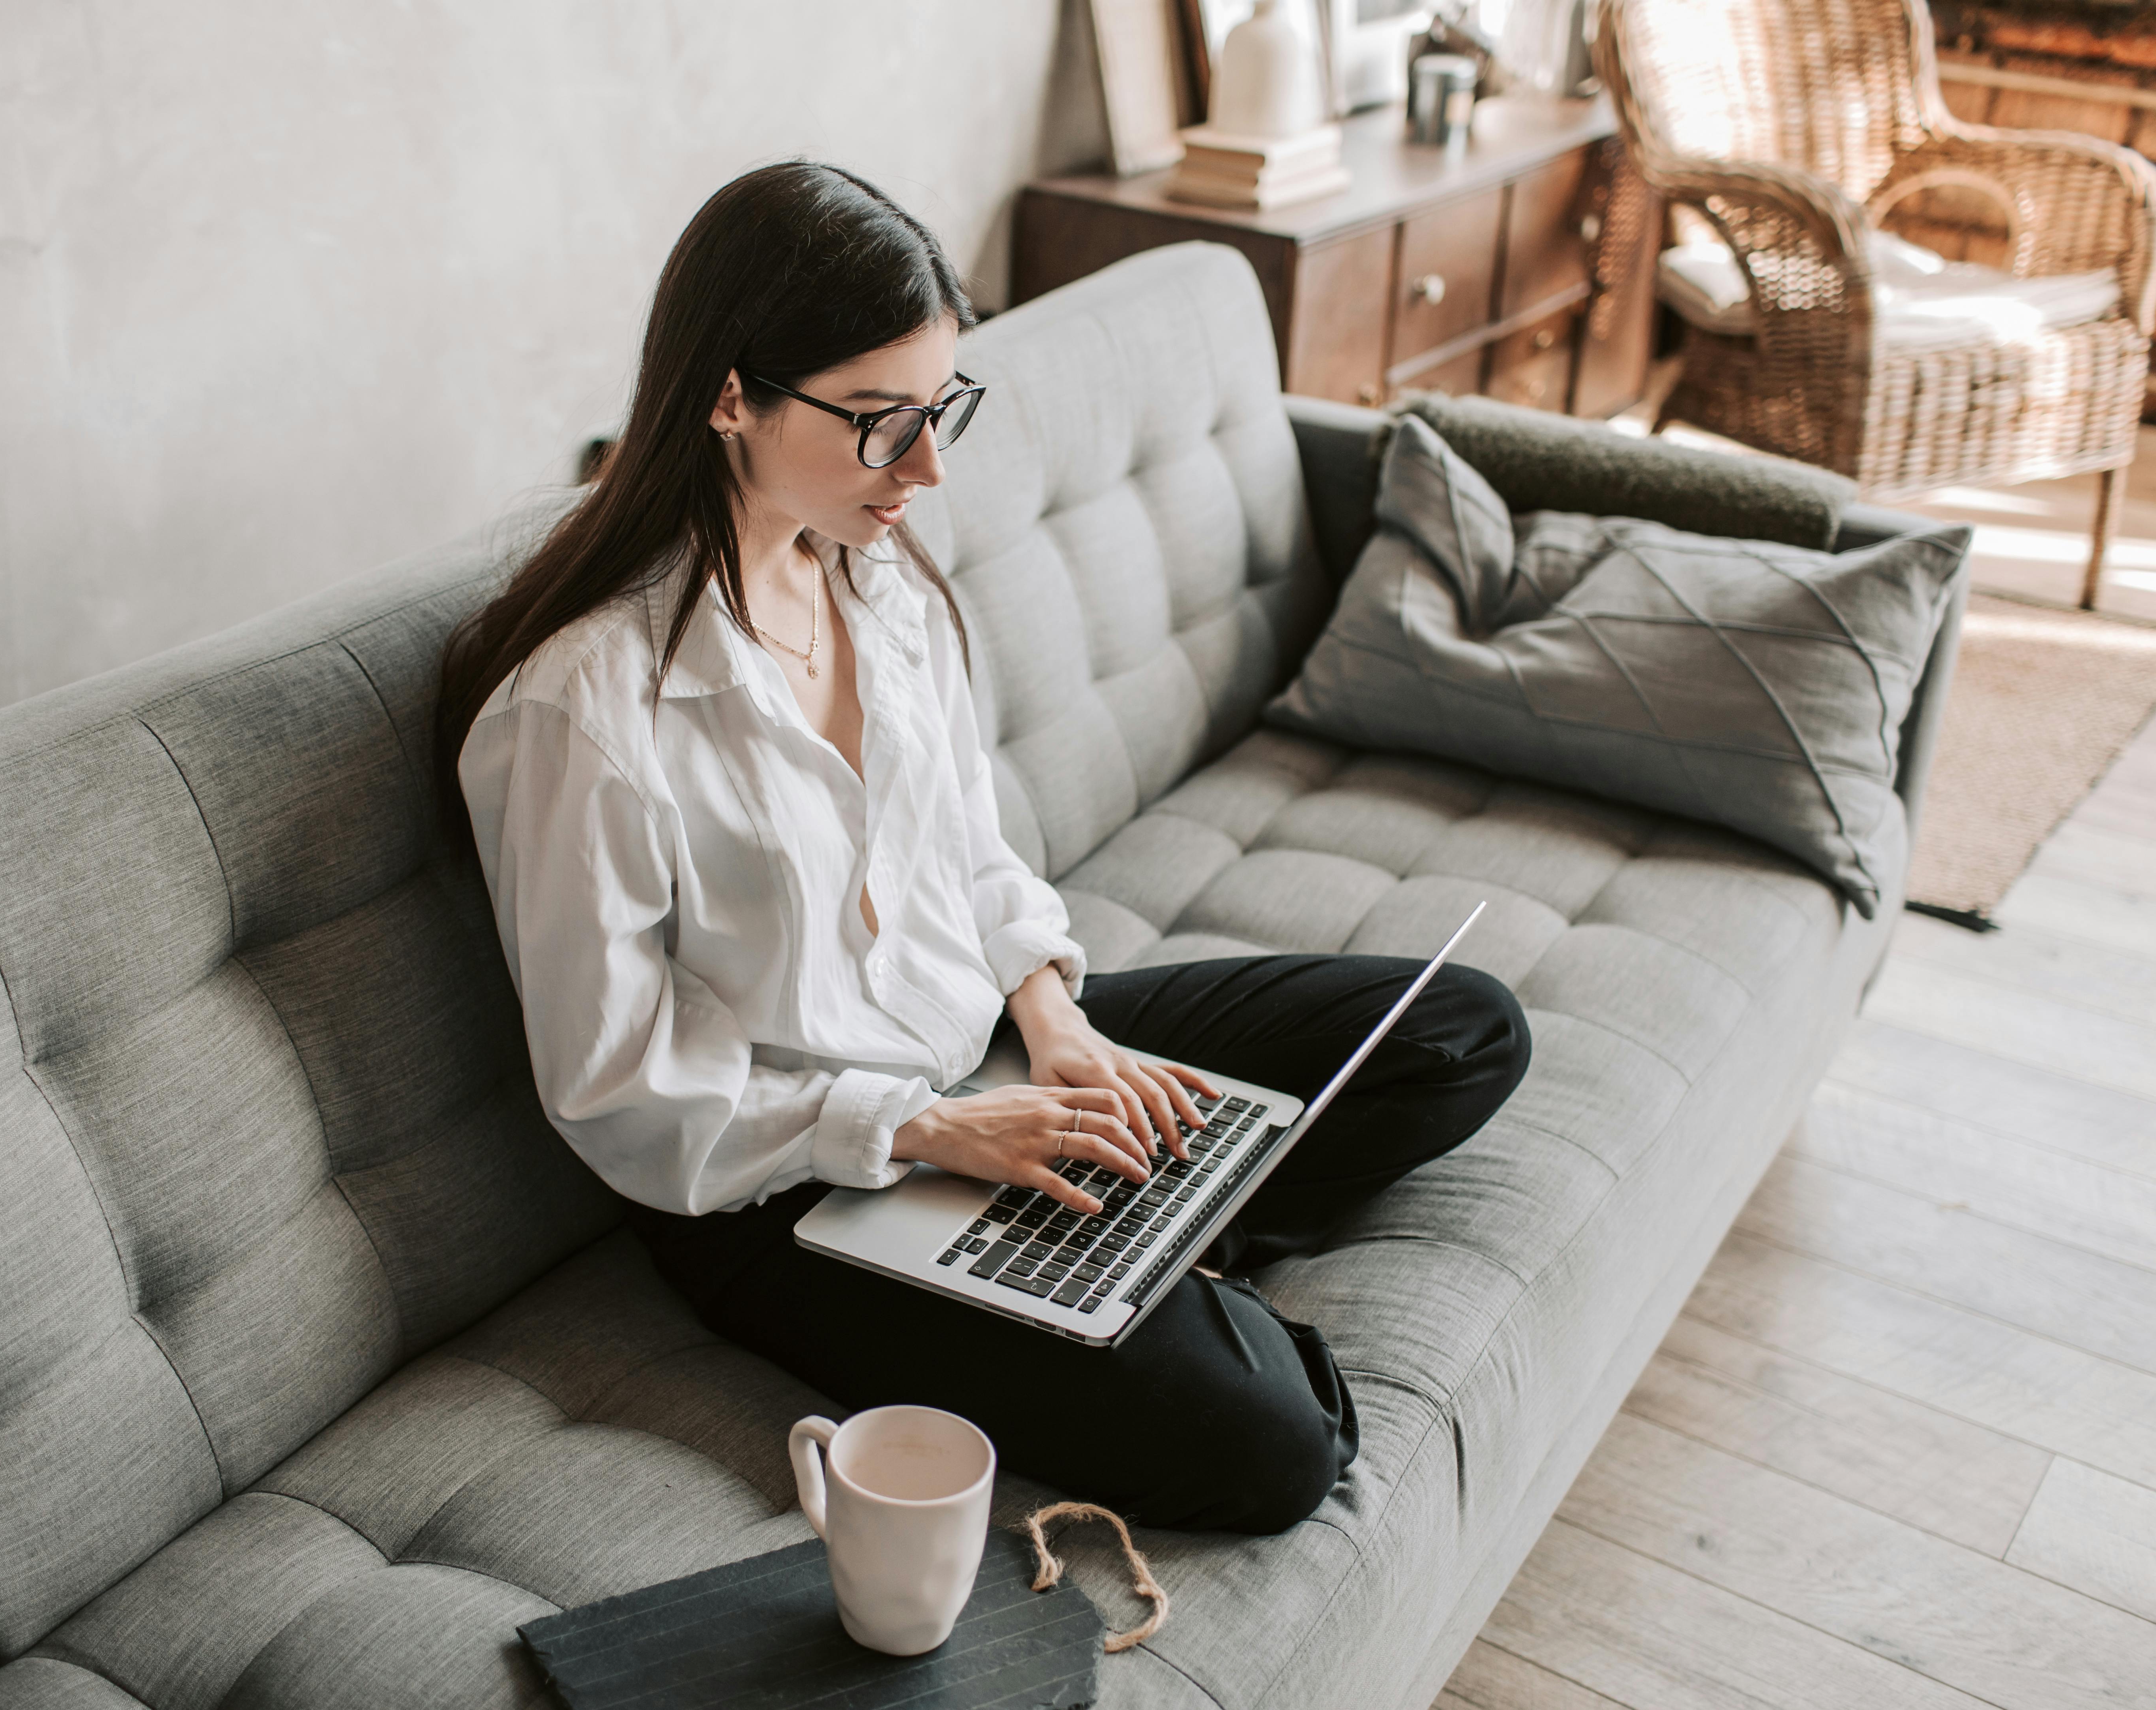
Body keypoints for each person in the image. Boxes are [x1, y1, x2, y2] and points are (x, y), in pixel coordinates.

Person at [438, 162, 1529, 1534]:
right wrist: (934, 1132)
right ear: (730, 396)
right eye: (885, 422)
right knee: (1274, 1452)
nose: (931, 467)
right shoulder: (583, 711)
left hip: (985, 1059)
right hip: (789, 1185)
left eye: (940, 409)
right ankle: (1137, 1251)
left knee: (1460, 1031)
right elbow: (621, 1092)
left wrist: (1056, 1020)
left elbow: (969, 849)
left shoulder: (871, 576)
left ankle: (1127, 1232)